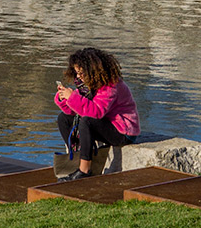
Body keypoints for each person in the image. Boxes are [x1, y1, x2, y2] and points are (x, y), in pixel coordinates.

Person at [54, 47, 139, 181]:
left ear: (92, 71)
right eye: (76, 73)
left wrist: (72, 98)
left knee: (87, 121)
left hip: (122, 131)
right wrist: (64, 98)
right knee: (63, 118)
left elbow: (96, 112)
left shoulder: (110, 85)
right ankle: (76, 158)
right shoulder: (87, 86)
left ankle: (85, 170)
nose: (78, 77)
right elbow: (73, 111)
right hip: (105, 123)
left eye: (81, 73)